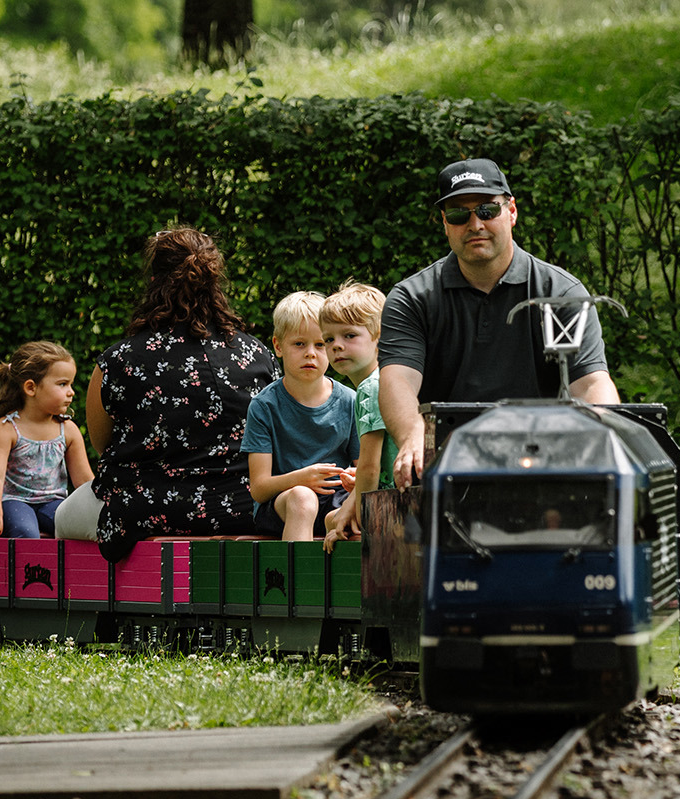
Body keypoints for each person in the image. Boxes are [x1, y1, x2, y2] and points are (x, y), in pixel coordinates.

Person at [379, 158, 620, 486]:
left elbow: (592, 384)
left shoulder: (562, 293)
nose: (475, 224)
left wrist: (601, 439)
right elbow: (398, 382)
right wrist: (412, 433)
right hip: (445, 471)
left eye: (487, 210)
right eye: (459, 214)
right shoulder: (412, 298)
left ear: (512, 211)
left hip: (545, 469)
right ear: (445, 223)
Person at [85, 229, 277, 561]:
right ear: (215, 281)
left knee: (61, 517)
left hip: (145, 509)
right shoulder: (258, 354)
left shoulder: (118, 360)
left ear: (155, 279)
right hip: (243, 507)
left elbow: (103, 444)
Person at [245, 291, 360, 541]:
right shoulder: (264, 406)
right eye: (299, 344)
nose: (311, 353)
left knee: (361, 512)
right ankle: (298, 581)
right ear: (278, 346)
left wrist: (353, 479)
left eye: (320, 344)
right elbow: (259, 488)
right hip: (284, 503)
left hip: (337, 500)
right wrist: (301, 479)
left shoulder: (351, 401)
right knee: (303, 498)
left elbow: (365, 472)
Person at [0, 341, 95, 547]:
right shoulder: (7, 429)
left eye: (71, 384)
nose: (71, 391)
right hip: (11, 501)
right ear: (31, 388)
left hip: (52, 503)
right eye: (63, 384)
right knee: (25, 532)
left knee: (82, 527)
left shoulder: (68, 430)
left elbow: (84, 481)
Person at [320, 281, 393, 546]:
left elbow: (371, 467)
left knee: (337, 525)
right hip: (393, 498)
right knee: (332, 519)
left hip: (394, 505)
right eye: (328, 339)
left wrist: (359, 518)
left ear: (379, 336)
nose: (336, 346)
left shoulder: (372, 388)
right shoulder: (383, 379)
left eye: (349, 335)